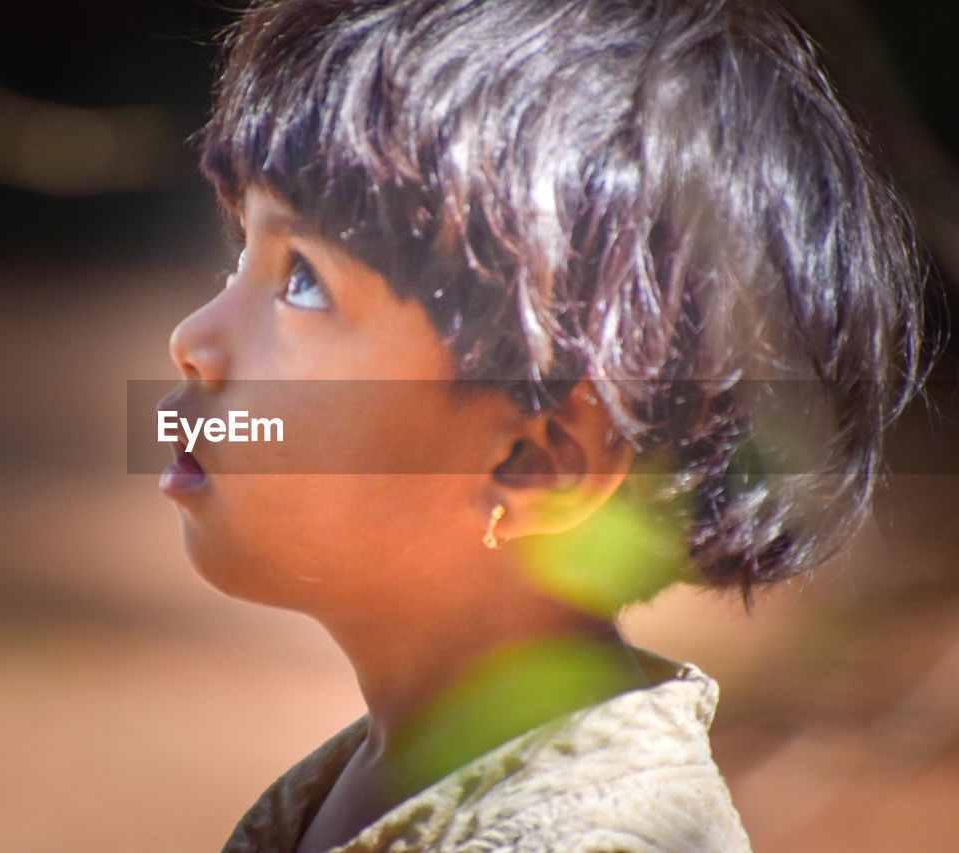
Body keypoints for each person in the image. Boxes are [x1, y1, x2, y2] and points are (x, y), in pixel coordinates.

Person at [156, 0, 929, 850]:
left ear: (538, 463)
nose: (194, 341)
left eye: (303, 279)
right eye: (244, 254)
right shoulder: (368, 782)